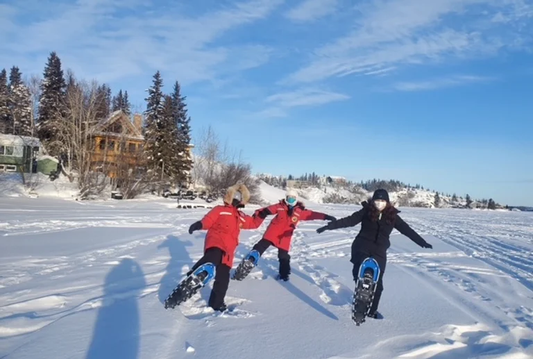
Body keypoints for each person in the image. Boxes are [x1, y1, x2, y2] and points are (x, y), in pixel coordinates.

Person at [316, 189, 433, 318]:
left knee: (378, 285)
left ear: (387, 202)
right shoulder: (366, 211)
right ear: (373, 200)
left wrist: (422, 242)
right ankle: (362, 292)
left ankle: (372, 311)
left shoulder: (393, 216)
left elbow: (407, 230)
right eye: (377, 200)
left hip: (379, 250)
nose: (379, 203)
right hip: (362, 245)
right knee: (360, 270)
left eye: (382, 201)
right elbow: (349, 220)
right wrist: (329, 226)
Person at [182, 183, 264, 312]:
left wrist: (261, 214)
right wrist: (199, 224)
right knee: (214, 255)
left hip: (228, 252)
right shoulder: (220, 209)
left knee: (223, 279)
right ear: (229, 198)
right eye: (234, 197)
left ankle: (217, 303)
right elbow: (208, 220)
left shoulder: (240, 216)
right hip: (216, 241)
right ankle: (194, 275)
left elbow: (253, 223)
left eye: (239, 198)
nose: (236, 200)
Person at [235, 189, 336, 281]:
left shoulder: (300, 212)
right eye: (289, 198)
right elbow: (268, 209)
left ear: (296, 199)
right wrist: (262, 213)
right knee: (260, 247)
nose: (290, 200)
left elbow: (313, 214)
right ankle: (250, 260)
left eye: (293, 198)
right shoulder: (280, 207)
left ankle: (284, 275)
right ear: (286, 198)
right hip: (272, 233)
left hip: (284, 238)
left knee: (283, 257)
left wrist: (326, 216)